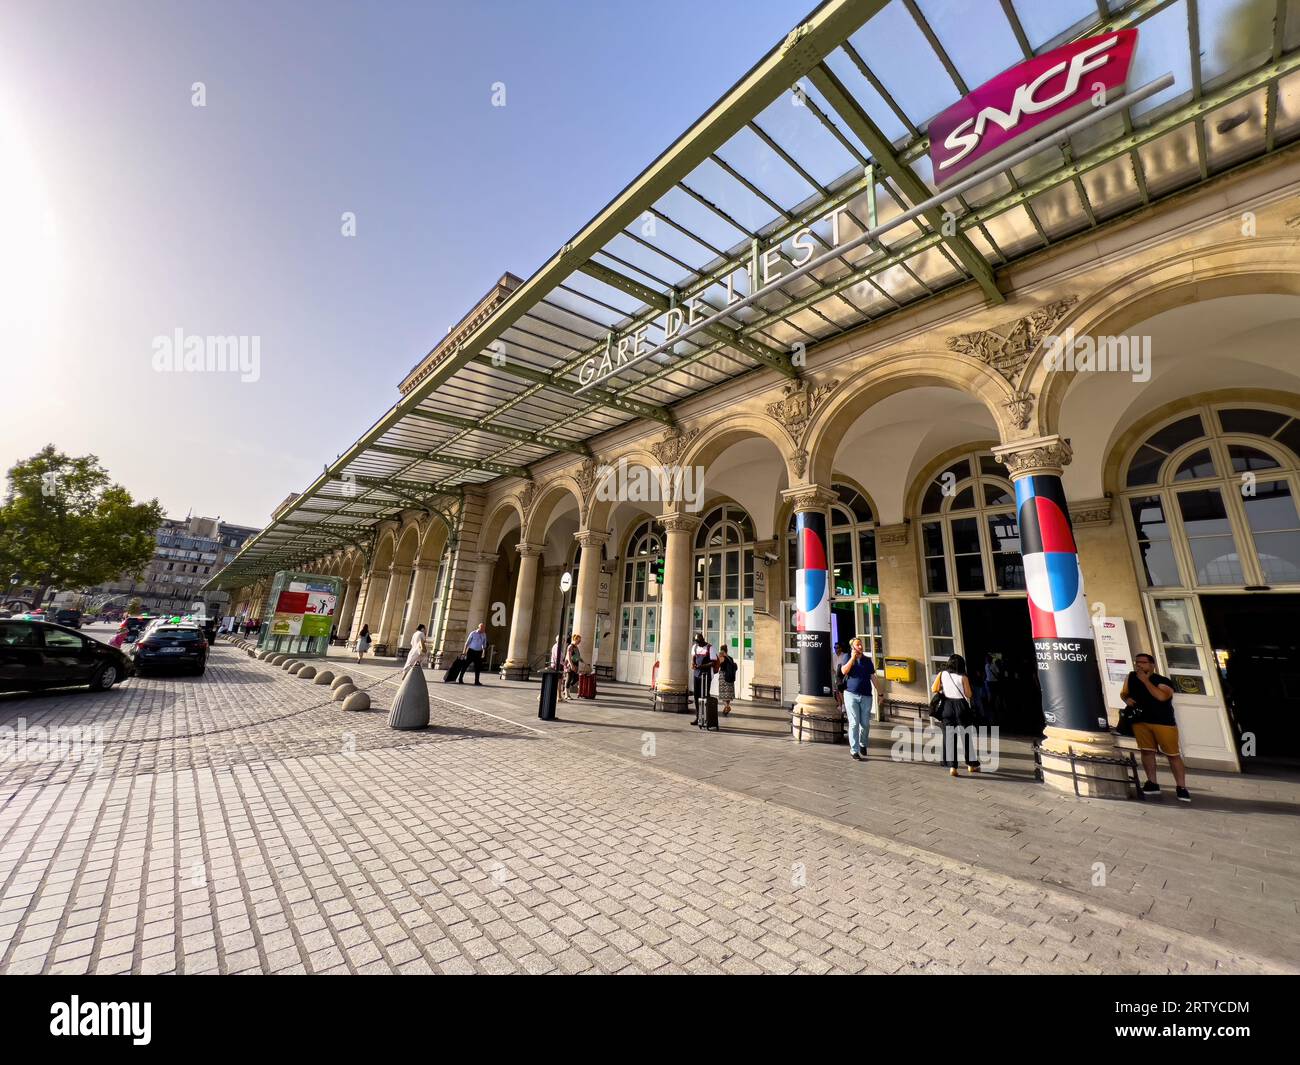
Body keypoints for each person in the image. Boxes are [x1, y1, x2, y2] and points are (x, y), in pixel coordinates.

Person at [1122, 653, 1190, 802]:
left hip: (1162, 722)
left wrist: (1146, 681)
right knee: (1147, 752)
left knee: (1172, 754)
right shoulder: (1131, 677)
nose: (1139, 665)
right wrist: (1127, 699)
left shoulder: (1162, 681)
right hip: (1140, 721)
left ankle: (1181, 787)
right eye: (1137, 662)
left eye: (1143, 662)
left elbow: (1161, 696)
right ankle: (1152, 782)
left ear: (1152, 665)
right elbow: (1124, 693)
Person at [931, 654, 980, 776]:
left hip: (947, 707)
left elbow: (933, 689)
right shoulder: (963, 676)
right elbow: (968, 694)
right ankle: (971, 765)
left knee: (949, 737)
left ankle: (953, 767)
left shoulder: (942, 674)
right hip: (961, 707)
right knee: (966, 737)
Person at [841, 637, 884, 760]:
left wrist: (880, 693)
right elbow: (844, 671)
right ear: (852, 647)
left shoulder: (867, 660)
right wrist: (852, 659)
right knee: (854, 723)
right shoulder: (847, 657)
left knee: (865, 724)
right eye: (857, 645)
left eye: (861, 645)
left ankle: (863, 744)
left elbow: (873, 677)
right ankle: (854, 750)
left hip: (866, 696)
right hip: (850, 694)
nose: (860, 647)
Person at [690, 632, 717, 722]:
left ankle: (706, 717)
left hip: (706, 675)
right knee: (696, 695)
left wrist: (701, 666)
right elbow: (693, 658)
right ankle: (698, 717)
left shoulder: (710, 648)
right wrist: (693, 664)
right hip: (697, 674)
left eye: (699, 641)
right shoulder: (695, 647)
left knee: (705, 695)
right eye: (696, 642)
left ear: (703, 640)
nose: (698, 643)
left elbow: (712, 663)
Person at [716, 645, 739, 716]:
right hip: (730, 677)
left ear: (722, 650)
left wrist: (719, 656)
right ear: (727, 650)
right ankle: (726, 707)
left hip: (723, 677)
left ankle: (727, 706)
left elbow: (717, 665)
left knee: (723, 693)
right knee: (728, 694)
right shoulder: (730, 658)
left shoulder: (722, 658)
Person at [560, 634, 582, 701]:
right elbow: (569, 657)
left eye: (580, 640)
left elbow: (577, 656)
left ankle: (566, 690)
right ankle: (567, 694)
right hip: (570, 665)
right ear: (575, 639)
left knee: (576, 678)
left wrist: (581, 660)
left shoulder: (576, 647)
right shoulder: (570, 646)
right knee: (569, 679)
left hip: (575, 665)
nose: (579, 641)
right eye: (578, 640)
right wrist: (571, 665)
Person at [832, 642, 849, 710]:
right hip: (835, 674)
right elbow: (832, 666)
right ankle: (840, 705)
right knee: (836, 691)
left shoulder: (844, 656)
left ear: (841, 648)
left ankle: (844, 704)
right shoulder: (833, 655)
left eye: (837, 648)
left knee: (841, 691)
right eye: (835, 648)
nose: (836, 649)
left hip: (842, 675)